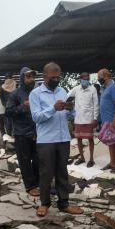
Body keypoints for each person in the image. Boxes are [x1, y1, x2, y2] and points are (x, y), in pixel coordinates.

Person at [29, 62, 84, 217]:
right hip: (46, 140)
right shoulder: (36, 94)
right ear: (45, 76)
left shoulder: (62, 91)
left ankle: (64, 203)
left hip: (63, 138)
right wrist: (53, 108)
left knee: (62, 172)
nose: (56, 79)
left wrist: (70, 110)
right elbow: (36, 117)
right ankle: (44, 203)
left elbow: (65, 116)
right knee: (46, 173)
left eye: (58, 77)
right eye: (53, 77)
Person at [6, 67, 40, 197]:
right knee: (25, 161)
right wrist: (23, 107)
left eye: (32, 76)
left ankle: (38, 183)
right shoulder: (15, 94)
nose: (31, 79)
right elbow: (8, 112)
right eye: (28, 77)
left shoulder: (37, 93)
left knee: (38, 159)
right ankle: (30, 186)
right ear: (22, 78)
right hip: (21, 133)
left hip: (37, 132)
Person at [68, 72, 99, 167]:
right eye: (84, 79)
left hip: (89, 118)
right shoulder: (76, 89)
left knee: (90, 139)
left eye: (87, 79)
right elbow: (67, 96)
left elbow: (96, 104)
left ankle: (91, 159)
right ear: (80, 79)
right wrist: (69, 105)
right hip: (78, 118)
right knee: (79, 139)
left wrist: (95, 118)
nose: (86, 80)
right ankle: (82, 157)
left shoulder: (93, 89)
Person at [97, 68, 115, 172]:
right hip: (106, 120)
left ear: (106, 76)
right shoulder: (104, 88)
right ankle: (113, 162)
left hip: (112, 119)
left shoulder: (113, 87)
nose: (99, 79)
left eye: (100, 77)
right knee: (111, 142)